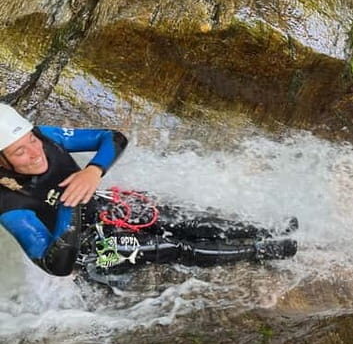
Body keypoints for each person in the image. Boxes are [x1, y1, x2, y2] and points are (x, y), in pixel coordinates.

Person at [0, 104, 297, 278]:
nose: (34, 152)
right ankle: (259, 251)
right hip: (92, 251)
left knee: (184, 220)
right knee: (175, 247)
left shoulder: (44, 137)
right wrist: (70, 207)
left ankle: (265, 228)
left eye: (31, 141)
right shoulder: (9, 204)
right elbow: (57, 266)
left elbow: (112, 138)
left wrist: (93, 171)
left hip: (104, 210)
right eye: (19, 152)